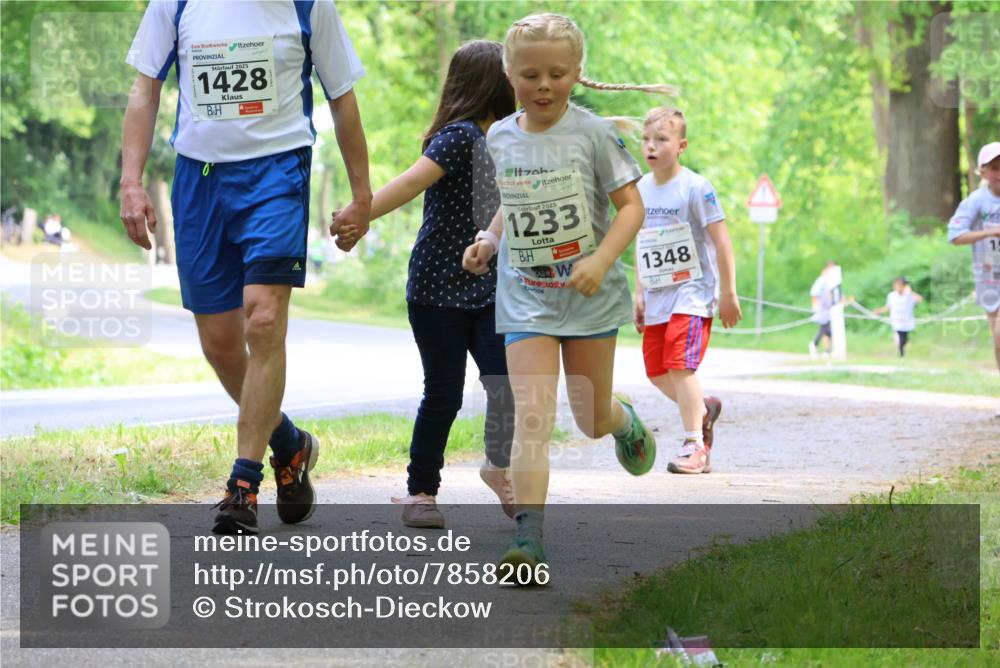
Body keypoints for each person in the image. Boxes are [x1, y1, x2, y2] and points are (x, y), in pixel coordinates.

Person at [119, 0, 372, 534]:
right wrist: (132, 181)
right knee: (221, 345)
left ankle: (243, 484)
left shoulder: (308, 6)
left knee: (262, 320)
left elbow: (343, 100)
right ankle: (290, 445)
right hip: (200, 178)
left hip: (278, 172)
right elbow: (145, 90)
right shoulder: (177, 3)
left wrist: (362, 195)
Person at [462, 12, 676, 579]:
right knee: (531, 417)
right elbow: (517, 197)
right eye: (530, 74)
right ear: (509, 73)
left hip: (589, 297)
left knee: (589, 419)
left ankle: (622, 418)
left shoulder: (594, 134)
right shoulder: (501, 135)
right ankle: (528, 538)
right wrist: (489, 237)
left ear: (577, 73)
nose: (544, 85)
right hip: (526, 298)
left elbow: (633, 208)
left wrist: (600, 259)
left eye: (557, 73)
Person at [335, 41, 517, 529]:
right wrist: (359, 215)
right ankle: (421, 491)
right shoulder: (458, 137)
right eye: (513, 72)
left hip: (490, 283)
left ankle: (499, 468)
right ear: (493, 81)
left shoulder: (513, 137)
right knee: (444, 393)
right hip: (438, 285)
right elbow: (409, 184)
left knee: (505, 382)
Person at [632, 107, 741, 475]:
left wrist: (729, 292)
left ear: (681, 145)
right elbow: (640, 242)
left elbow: (722, 241)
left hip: (693, 292)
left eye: (661, 139)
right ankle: (703, 407)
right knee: (655, 369)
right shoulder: (640, 190)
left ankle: (696, 445)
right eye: (646, 139)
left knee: (680, 364)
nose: (651, 146)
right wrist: (639, 293)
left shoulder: (696, 187)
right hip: (658, 294)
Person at [948, 141, 1000, 416]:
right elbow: (954, 236)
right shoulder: (976, 202)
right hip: (990, 279)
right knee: (998, 338)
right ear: (982, 171)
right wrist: (989, 233)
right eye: (994, 168)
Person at [873, 277, 923, 357]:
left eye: (899, 285)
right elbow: (888, 307)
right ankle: (901, 354)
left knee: (904, 338)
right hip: (896, 320)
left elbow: (920, 300)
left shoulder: (909, 295)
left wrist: (910, 292)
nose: (897, 287)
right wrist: (878, 311)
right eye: (896, 285)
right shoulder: (892, 295)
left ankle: (901, 351)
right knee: (899, 337)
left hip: (907, 321)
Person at [809, 260, 838, 358]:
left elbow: (837, 295)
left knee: (829, 331)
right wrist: (815, 307)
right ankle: (814, 344)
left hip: (831, 310)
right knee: (824, 329)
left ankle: (827, 350)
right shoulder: (821, 280)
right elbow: (814, 294)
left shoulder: (834, 281)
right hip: (822, 309)